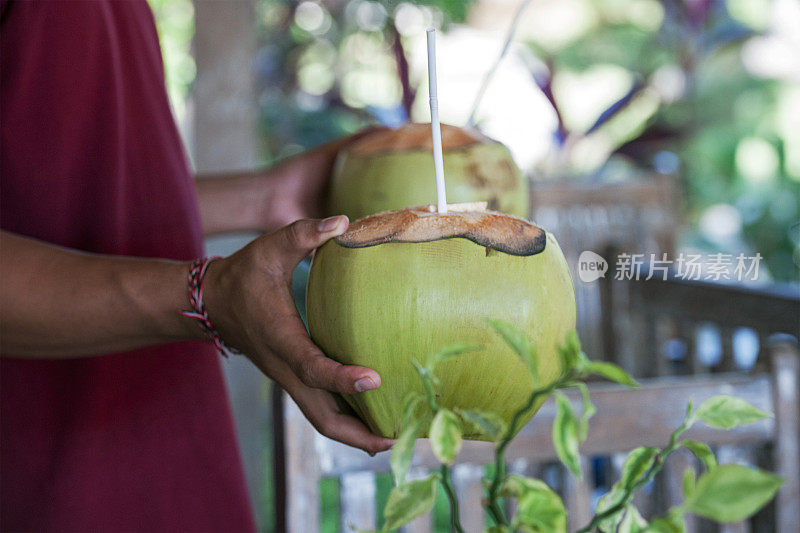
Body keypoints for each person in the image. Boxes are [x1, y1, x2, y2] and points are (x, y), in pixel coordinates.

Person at [0, 1, 392, 530]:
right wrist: (207, 296)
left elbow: (73, 195)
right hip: (46, 481)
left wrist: (261, 199)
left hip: (172, 455)